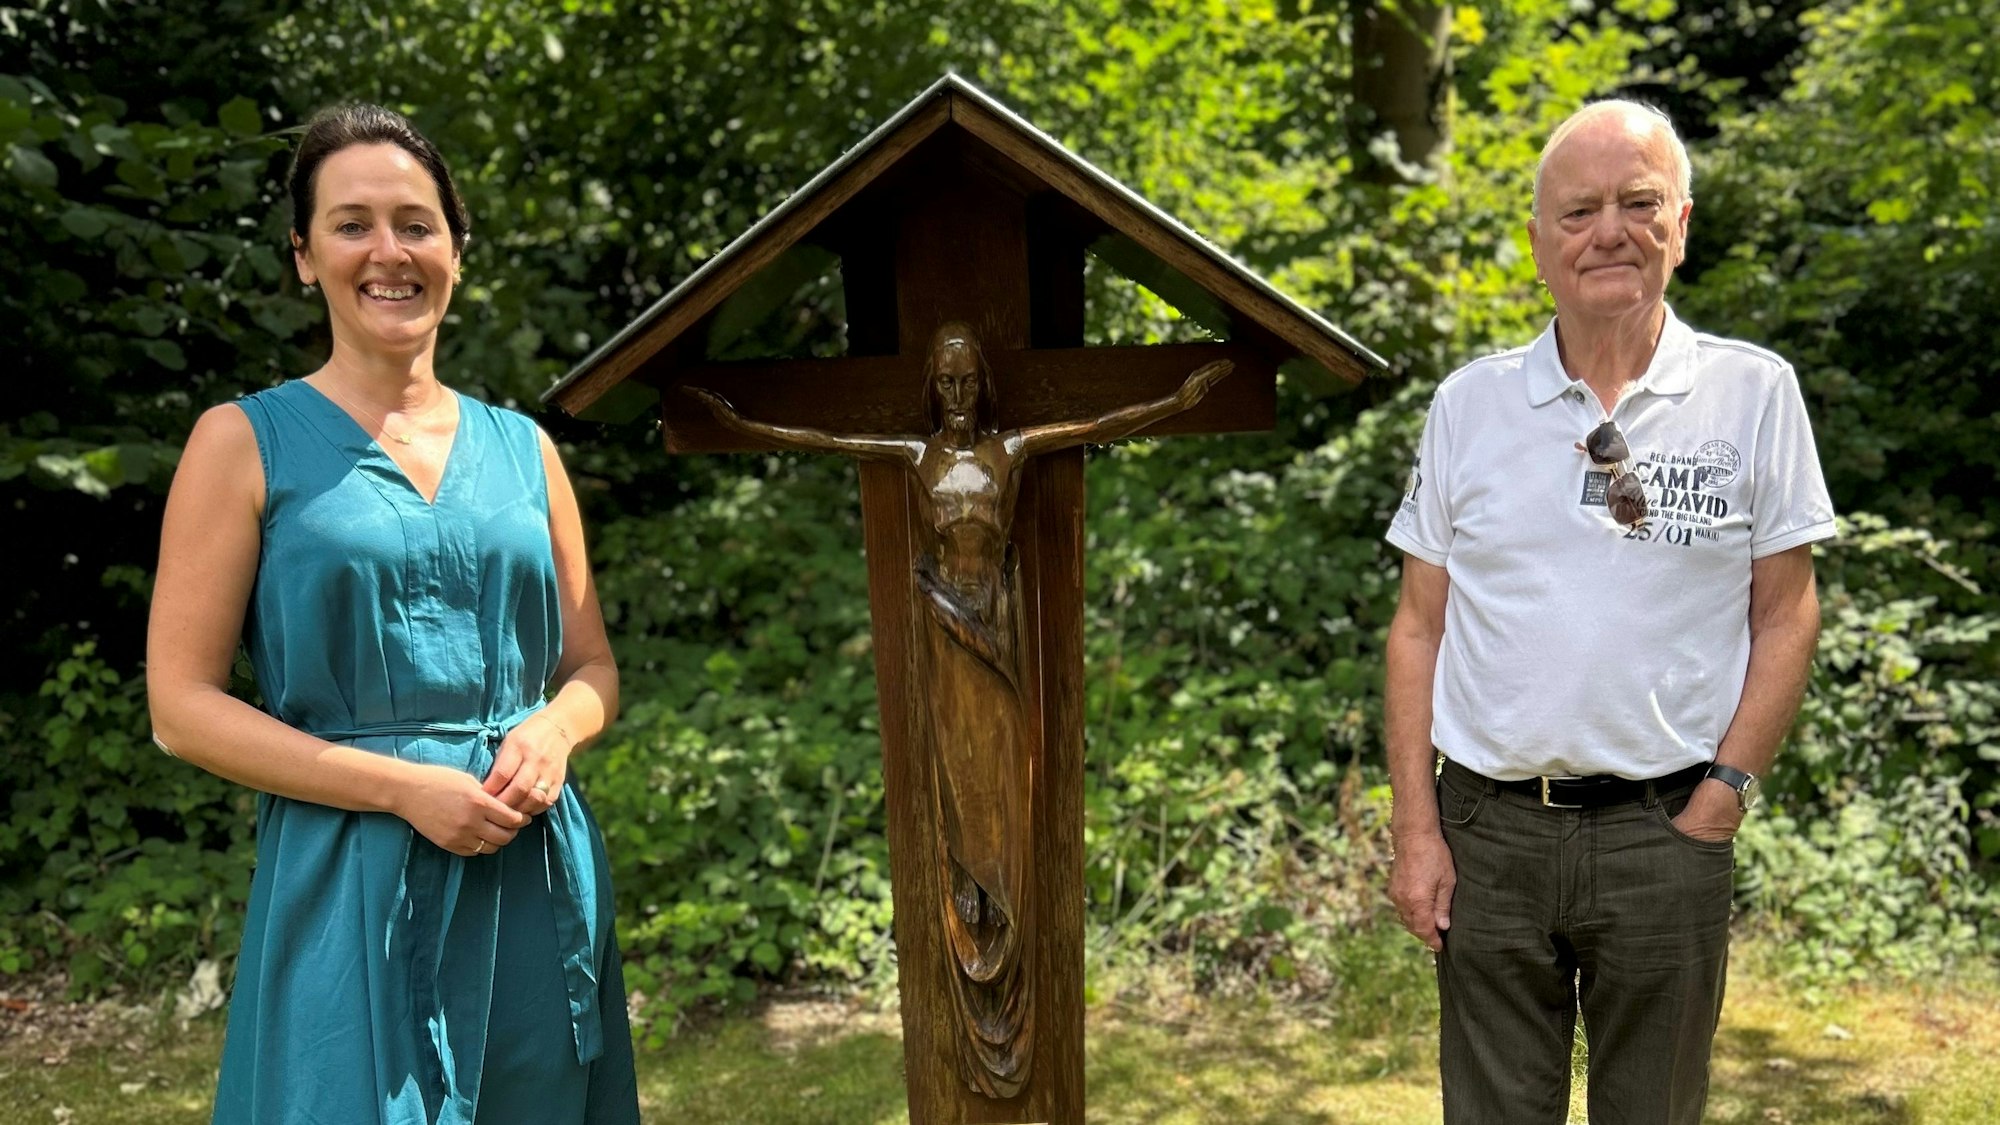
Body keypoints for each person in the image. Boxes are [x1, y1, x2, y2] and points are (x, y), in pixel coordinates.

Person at [146, 103, 639, 1124]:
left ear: (456, 248)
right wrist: (403, 789)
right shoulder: (240, 442)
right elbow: (181, 707)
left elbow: (590, 669)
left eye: (416, 223)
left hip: (529, 871)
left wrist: (554, 727)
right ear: (302, 256)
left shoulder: (525, 451)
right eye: (351, 223)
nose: (389, 252)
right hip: (347, 877)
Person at [1383, 99, 1835, 1124]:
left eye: (1637, 202)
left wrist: (1722, 792)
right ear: (1538, 240)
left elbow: (1785, 613)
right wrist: (1416, 826)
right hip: (1487, 833)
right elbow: (1417, 626)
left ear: (1680, 220)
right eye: (1577, 210)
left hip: (1663, 830)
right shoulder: (1470, 404)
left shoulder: (1752, 394)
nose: (1608, 232)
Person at [689, 323, 1229, 1095]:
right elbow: (823, 436)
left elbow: (1101, 424)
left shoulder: (1009, 451)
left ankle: (1006, 933)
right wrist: (738, 422)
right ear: (930, 388)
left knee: (1006, 785)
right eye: (944, 383)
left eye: (967, 381)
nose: (956, 396)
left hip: (999, 632)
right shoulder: (918, 457)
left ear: (983, 382)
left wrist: (1179, 398)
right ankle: (970, 919)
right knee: (956, 778)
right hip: (943, 629)